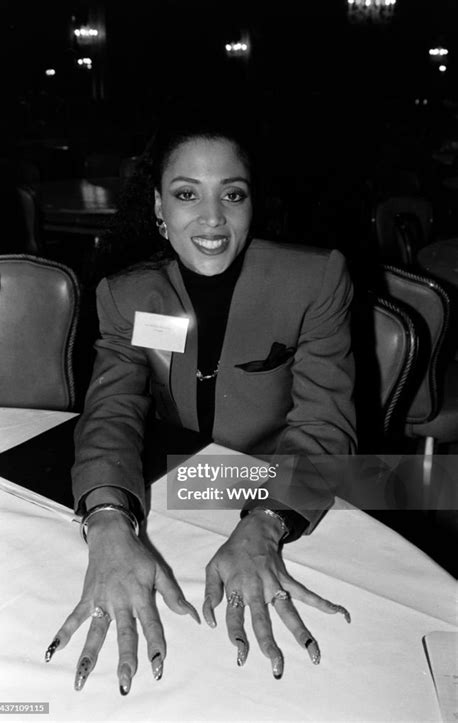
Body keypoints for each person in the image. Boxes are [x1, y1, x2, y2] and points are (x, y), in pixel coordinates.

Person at [45, 110, 356, 695]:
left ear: (252, 202)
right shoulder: (127, 294)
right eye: (187, 194)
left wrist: (265, 523)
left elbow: (324, 423)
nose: (212, 219)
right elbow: (112, 413)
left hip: (291, 492)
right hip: (176, 490)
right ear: (159, 209)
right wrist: (108, 518)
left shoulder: (314, 280)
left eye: (231, 194)